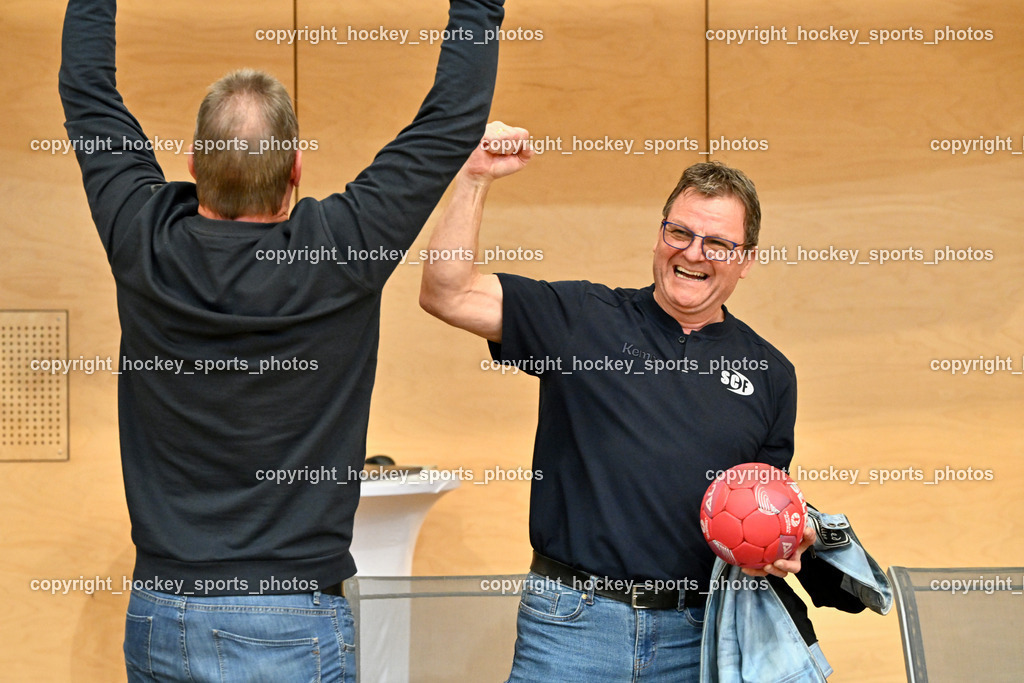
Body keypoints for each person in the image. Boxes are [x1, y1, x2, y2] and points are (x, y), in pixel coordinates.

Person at [58, 0, 504, 680]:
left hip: (161, 612)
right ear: (296, 168)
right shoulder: (342, 248)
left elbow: (86, 88)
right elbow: (450, 120)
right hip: (290, 621)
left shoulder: (142, 238)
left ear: (193, 162)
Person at [419, 123, 817, 681]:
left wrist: (788, 543)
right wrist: (474, 177)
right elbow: (446, 291)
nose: (693, 254)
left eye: (718, 243)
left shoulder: (770, 374)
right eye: (679, 232)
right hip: (571, 630)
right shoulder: (582, 318)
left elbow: (762, 508)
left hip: (698, 639)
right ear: (659, 235)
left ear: (746, 258)